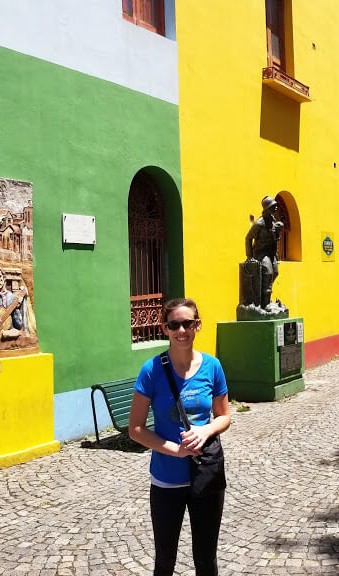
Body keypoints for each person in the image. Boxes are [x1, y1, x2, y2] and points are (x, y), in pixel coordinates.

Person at [129, 298, 230, 576]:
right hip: (166, 479)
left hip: (205, 476)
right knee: (164, 561)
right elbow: (135, 428)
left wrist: (205, 430)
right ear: (165, 328)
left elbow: (224, 416)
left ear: (198, 325)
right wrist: (175, 449)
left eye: (188, 323)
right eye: (174, 324)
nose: (181, 330)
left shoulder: (212, 366)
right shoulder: (151, 370)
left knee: (206, 560)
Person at [245, 196, 284, 309]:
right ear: (267, 208)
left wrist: (277, 233)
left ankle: (265, 296)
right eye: (273, 206)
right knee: (268, 272)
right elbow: (248, 238)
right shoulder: (259, 223)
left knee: (275, 272)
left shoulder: (273, 221)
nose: (276, 208)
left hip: (271, 253)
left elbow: (274, 238)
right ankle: (265, 303)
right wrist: (249, 256)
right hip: (261, 253)